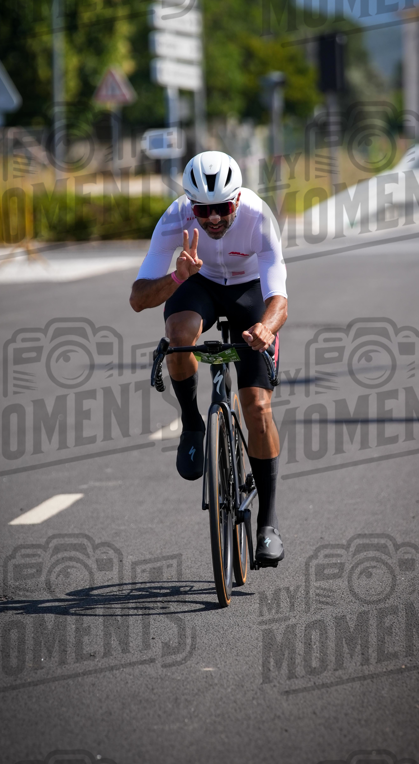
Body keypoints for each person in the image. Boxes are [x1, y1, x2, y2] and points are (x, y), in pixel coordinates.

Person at [129, 151, 288, 566]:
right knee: (179, 336)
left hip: (248, 291)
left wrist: (266, 328)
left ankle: (267, 524)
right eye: (203, 209)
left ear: (237, 199)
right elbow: (138, 299)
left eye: (223, 208)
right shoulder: (174, 219)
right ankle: (192, 422)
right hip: (196, 281)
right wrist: (178, 276)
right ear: (190, 204)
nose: (213, 218)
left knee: (257, 406)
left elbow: (279, 298)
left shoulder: (258, 217)